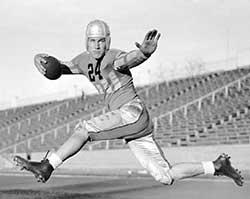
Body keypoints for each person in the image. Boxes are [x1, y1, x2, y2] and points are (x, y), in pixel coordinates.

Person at [14, 19, 243, 186]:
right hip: (136, 128)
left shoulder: (114, 56)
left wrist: (143, 53)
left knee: (83, 129)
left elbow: (128, 59)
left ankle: (47, 166)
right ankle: (216, 166)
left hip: (131, 112)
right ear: (87, 41)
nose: (97, 46)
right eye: (93, 41)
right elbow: (60, 67)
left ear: (108, 41)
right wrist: (42, 62)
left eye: (101, 41)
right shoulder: (82, 61)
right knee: (165, 176)